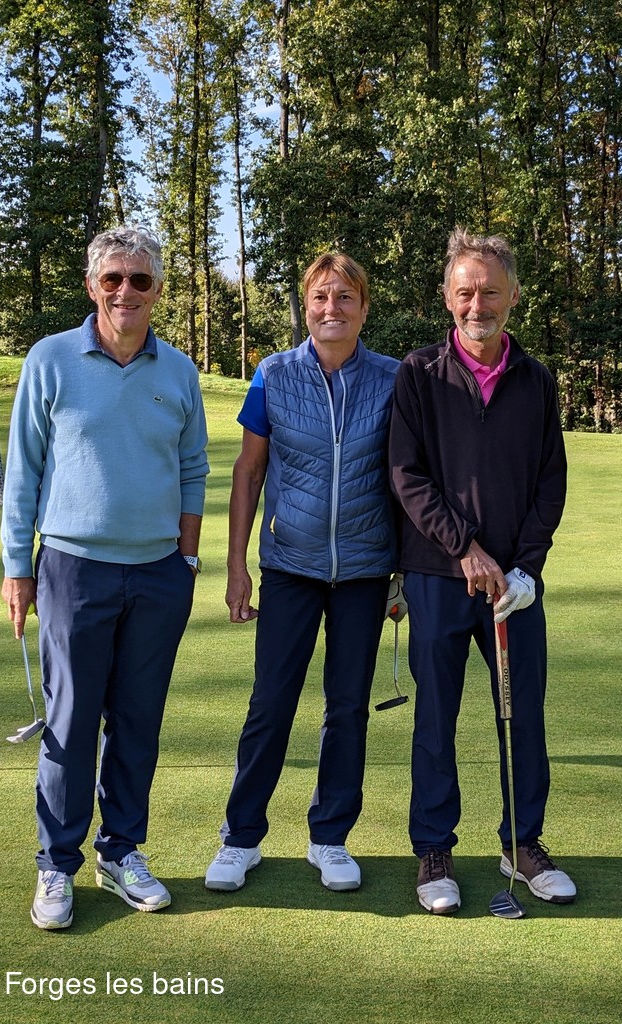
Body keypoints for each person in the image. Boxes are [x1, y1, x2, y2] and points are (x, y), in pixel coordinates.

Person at [0, 225, 209, 929]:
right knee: (71, 720)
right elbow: (24, 471)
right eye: (112, 278)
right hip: (72, 568)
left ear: (157, 290)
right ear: (93, 286)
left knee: (138, 721)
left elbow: (192, 468)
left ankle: (121, 850)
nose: (126, 291)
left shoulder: (178, 371)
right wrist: (16, 568)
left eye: (139, 280)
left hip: (158, 572)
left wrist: (186, 559)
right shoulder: (51, 358)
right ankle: (56, 863)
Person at [388, 227, 576, 915]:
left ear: (513, 295)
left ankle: (522, 843)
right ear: (447, 297)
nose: (477, 305)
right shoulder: (418, 373)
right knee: (436, 718)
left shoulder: (536, 379)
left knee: (521, 717)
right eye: (465, 292)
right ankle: (434, 850)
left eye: (490, 292)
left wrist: (524, 568)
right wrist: (465, 549)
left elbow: (550, 483)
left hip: (514, 591)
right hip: (439, 576)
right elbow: (406, 477)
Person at [204, 252, 402, 894]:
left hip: (366, 571)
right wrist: (236, 566)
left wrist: (402, 573)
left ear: (363, 307)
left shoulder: (395, 378)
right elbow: (249, 471)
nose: (331, 308)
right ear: (306, 306)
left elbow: (408, 480)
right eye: (320, 296)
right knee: (271, 703)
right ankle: (241, 837)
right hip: (290, 564)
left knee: (347, 707)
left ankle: (330, 838)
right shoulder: (273, 373)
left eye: (344, 297)